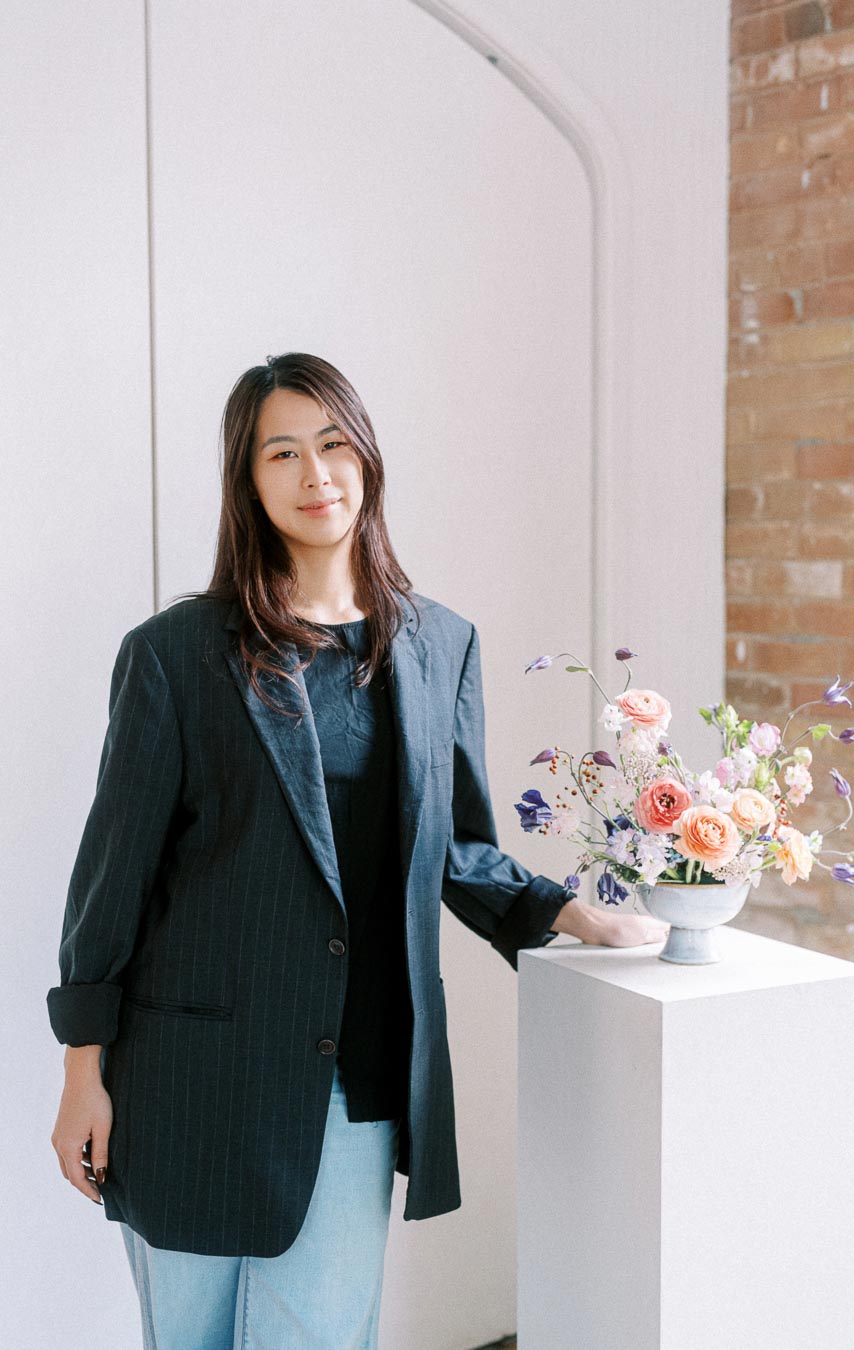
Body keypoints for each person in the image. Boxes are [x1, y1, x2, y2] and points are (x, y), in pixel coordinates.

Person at [47, 352, 669, 1349]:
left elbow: (457, 845)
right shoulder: (175, 654)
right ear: (248, 482)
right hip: (188, 1074)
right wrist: (84, 1072)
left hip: (354, 1072)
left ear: (367, 456)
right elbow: (112, 878)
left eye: (332, 443)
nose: (315, 473)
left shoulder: (440, 644)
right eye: (281, 453)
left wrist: (570, 913)